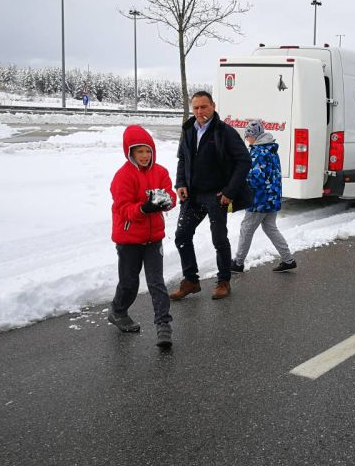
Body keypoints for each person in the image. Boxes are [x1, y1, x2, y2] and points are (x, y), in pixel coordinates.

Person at [170, 91, 252, 301]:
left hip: (216, 196)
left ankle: (223, 281)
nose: (199, 112)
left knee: (219, 239)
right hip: (193, 195)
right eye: (196, 108)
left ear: (213, 106)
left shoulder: (225, 132)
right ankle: (191, 280)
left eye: (203, 107)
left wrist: (230, 191)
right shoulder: (189, 129)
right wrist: (180, 183)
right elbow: (182, 159)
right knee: (182, 236)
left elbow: (244, 161)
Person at [108, 125, 177, 348]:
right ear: (130, 152)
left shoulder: (161, 172)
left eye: (148, 151)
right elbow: (123, 209)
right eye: (140, 151)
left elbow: (170, 194)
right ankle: (118, 311)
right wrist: (144, 208)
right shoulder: (123, 176)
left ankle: (163, 325)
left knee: (156, 282)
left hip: (153, 238)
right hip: (129, 239)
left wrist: (167, 202)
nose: (145, 156)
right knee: (129, 282)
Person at [231, 120, 297, 274]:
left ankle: (238, 263)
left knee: (246, 229)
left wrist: (239, 182)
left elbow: (256, 178)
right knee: (270, 228)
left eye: (248, 136)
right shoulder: (271, 149)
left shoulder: (258, 152)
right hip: (272, 197)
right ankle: (288, 260)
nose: (247, 139)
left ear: (254, 135)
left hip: (259, 199)